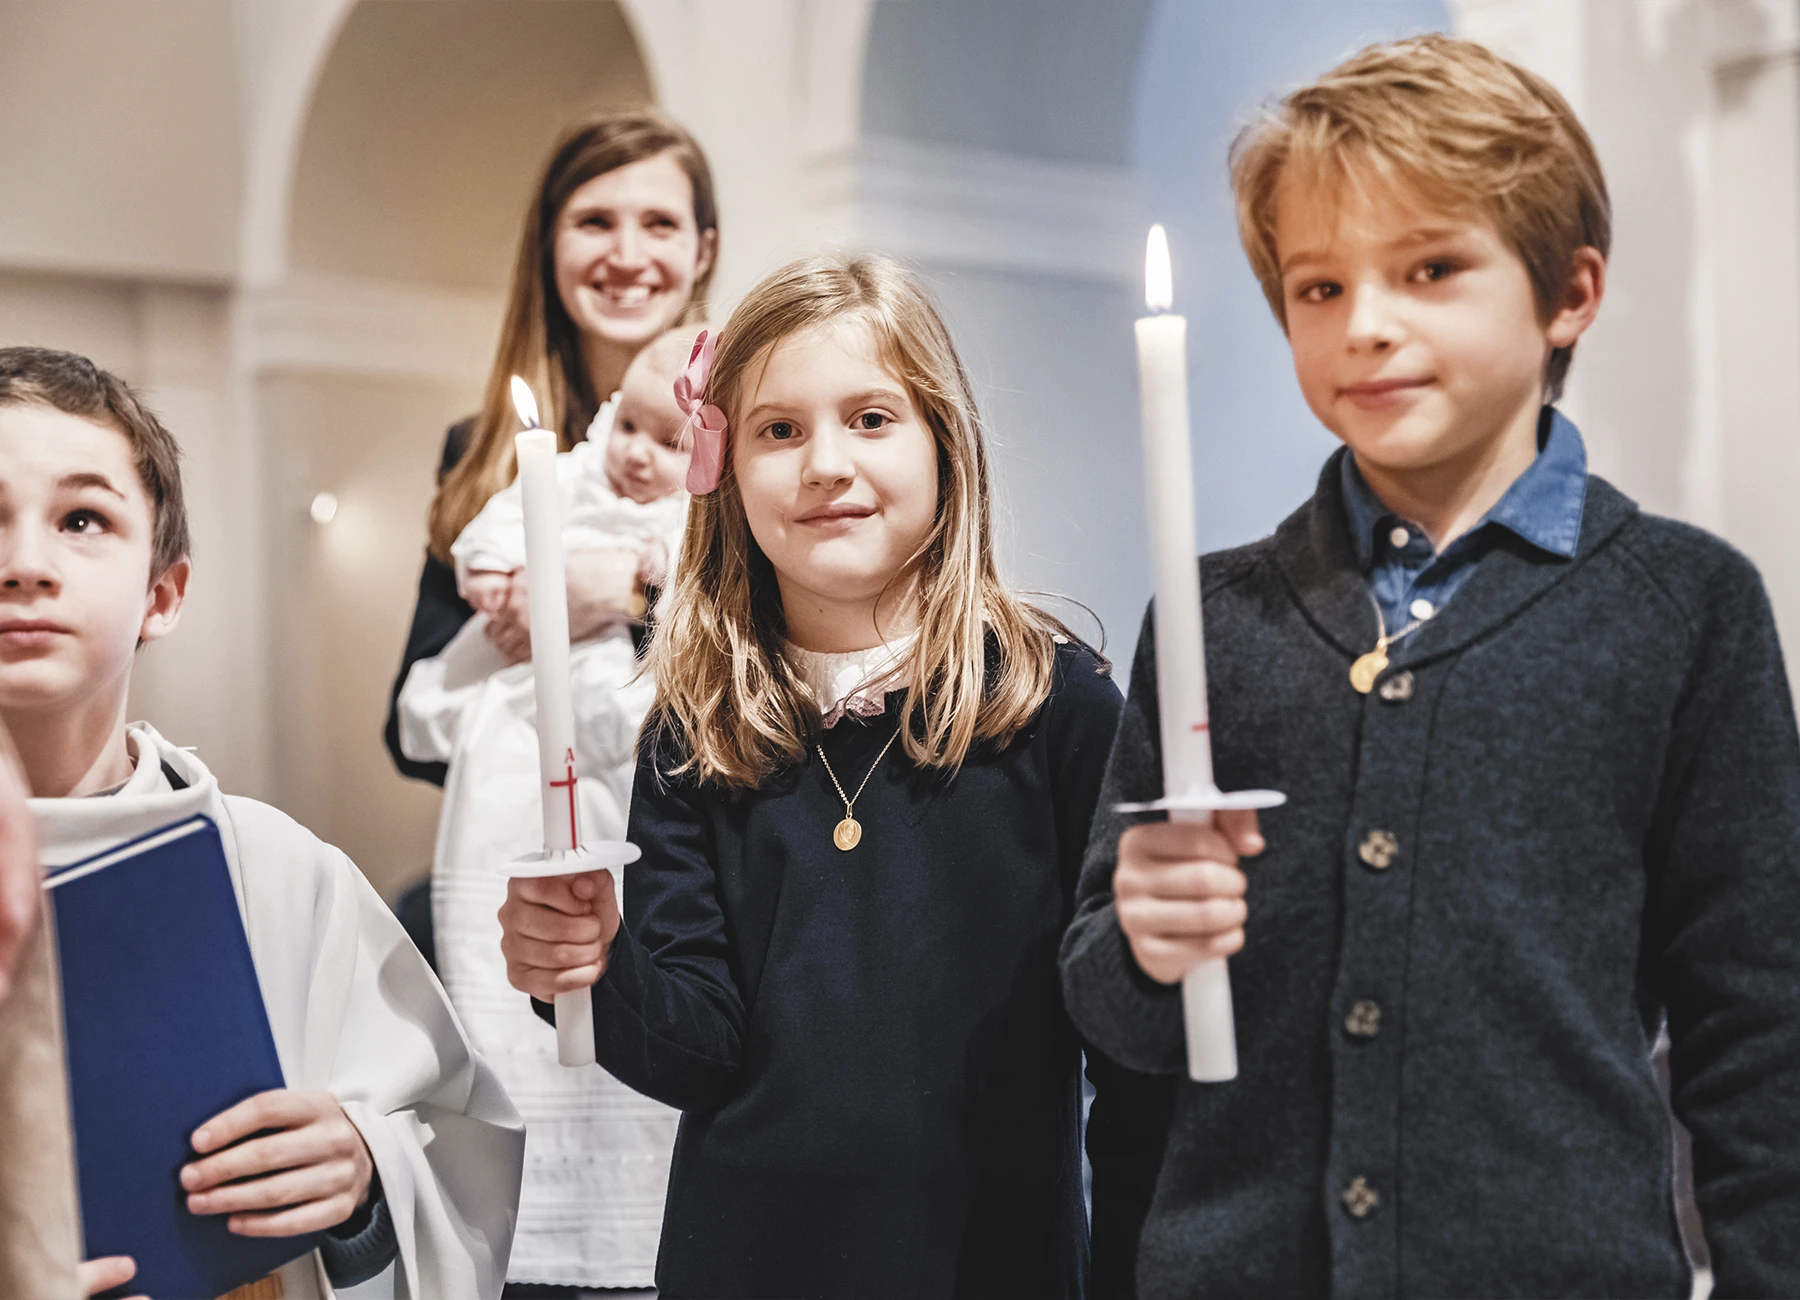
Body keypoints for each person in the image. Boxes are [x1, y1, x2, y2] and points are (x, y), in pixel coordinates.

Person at [1059, 34, 1800, 1300]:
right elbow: (1120, 1030)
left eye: (1432, 268)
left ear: (1568, 293)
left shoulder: (1685, 608)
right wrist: (1138, 942)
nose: (1368, 326)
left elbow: (1760, 1025)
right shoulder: (1213, 618)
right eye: (1318, 288)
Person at [496, 252, 1164, 1299]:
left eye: (871, 418)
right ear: (720, 470)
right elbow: (695, 1051)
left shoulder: (1053, 705)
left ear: (947, 443)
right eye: (778, 430)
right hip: (745, 1266)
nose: (824, 464)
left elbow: (1131, 1046)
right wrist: (591, 962)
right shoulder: (698, 726)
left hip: (989, 1264)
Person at [0, 347, 526, 1300]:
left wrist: (364, 1174)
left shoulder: (278, 871)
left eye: (82, 519)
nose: (25, 565)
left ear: (163, 595)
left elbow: (456, 1147)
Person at [393, 326, 699, 1291]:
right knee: (507, 987)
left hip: (621, 708)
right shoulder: (561, 477)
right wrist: (493, 574)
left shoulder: (690, 528)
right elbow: (484, 541)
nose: (641, 453)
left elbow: (724, 605)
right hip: (520, 715)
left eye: (669, 440)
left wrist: (633, 585)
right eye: (633, 428)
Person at [385, 107, 719, 789]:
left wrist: (626, 591)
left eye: (659, 224)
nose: (627, 256)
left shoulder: (749, 435)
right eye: (594, 222)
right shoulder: (479, 450)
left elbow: (789, 649)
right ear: (548, 244)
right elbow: (407, 735)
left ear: (703, 252)